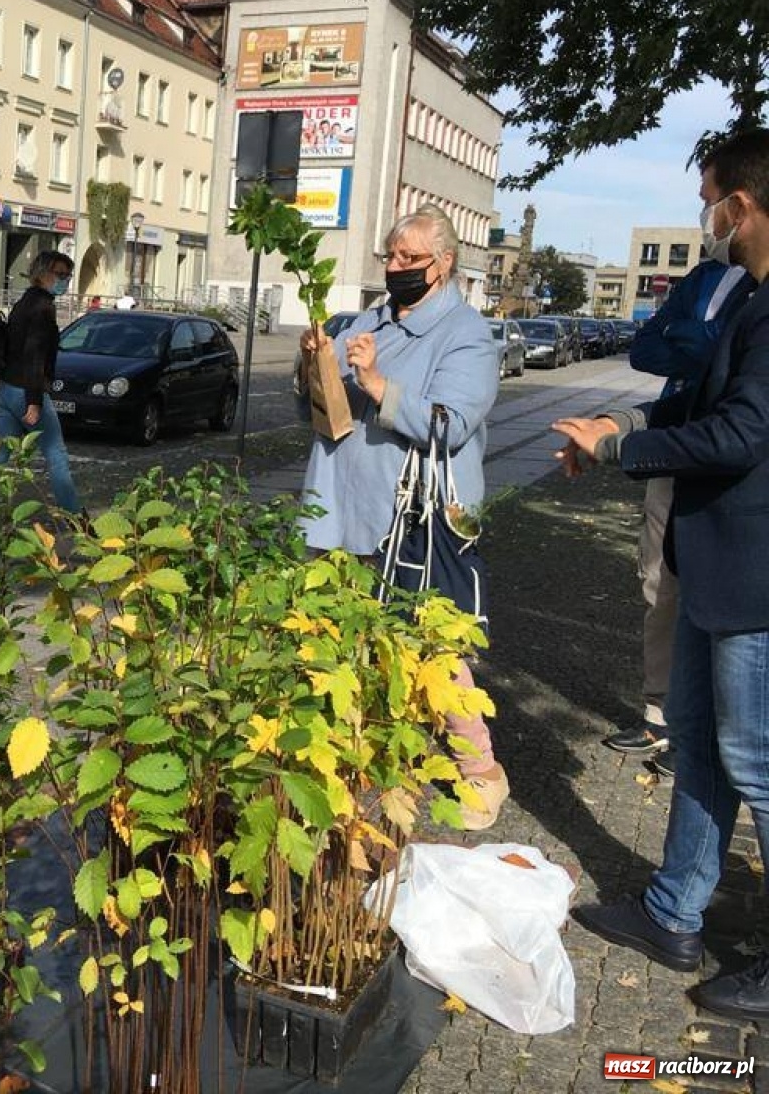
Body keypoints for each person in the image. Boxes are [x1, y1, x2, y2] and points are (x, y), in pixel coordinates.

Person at [554, 128, 769, 1019]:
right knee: (698, 740)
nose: (704, 217)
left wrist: (626, 448)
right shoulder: (748, 300)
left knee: (757, 762)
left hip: (755, 580)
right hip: (712, 562)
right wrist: (617, 426)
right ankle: (674, 911)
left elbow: (743, 432)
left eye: (710, 198)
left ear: (743, 206)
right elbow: (694, 400)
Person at [298, 203, 508, 830]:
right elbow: (320, 395)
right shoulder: (371, 317)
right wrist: (318, 360)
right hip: (347, 504)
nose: (395, 268)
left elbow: (451, 422)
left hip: (417, 518)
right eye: (390, 256)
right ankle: (374, 756)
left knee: (436, 650)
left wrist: (379, 383)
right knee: (353, 635)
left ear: (442, 264)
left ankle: (481, 774)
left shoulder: (467, 335)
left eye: (409, 259)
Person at [601, 258, 755, 777]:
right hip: (676, 442)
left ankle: (714, 727)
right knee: (659, 579)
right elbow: (645, 348)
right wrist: (706, 342)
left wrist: (689, 337)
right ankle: (660, 714)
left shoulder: (758, 279)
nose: (702, 206)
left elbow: (728, 356)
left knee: (723, 591)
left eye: (709, 195)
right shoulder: (703, 276)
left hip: (733, 457)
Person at [0, 250, 85, 518]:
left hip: (7, 389)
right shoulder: (42, 307)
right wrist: (35, 401)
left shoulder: (26, 301)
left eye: (68, 275)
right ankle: (75, 518)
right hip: (25, 391)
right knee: (57, 455)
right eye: (59, 274)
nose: (64, 280)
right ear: (42, 273)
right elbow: (34, 356)